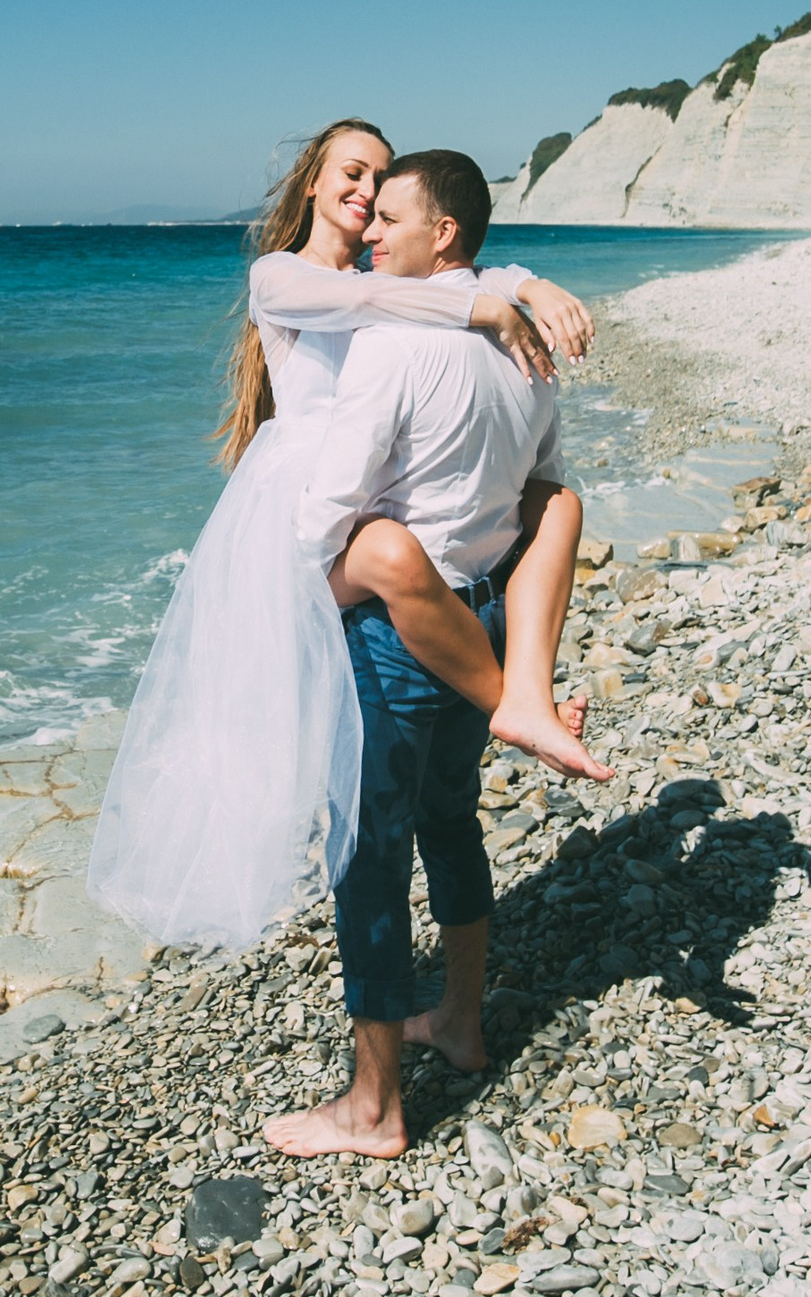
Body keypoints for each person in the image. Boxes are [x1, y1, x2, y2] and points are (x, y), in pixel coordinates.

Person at [86, 120, 597, 956]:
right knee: (286, 725)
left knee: (381, 754)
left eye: (381, 179)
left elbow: (448, 261)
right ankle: (511, 697)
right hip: (303, 506)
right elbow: (383, 297)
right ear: (313, 185)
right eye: (351, 173)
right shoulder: (280, 275)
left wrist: (524, 282)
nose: (366, 191)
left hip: (361, 499)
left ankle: (510, 700)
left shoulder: (390, 271)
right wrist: (494, 296)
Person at [264, 148, 610, 1160]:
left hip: (397, 631)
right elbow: (541, 484)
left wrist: (297, 593)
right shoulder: (521, 347)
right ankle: (459, 1018)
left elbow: (333, 504)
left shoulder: (391, 342)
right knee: (451, 821)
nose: (373, 230)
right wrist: (518, 286)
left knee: (367, 858)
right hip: (486, 612)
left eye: (392, 216)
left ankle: (371, 1106)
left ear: (440, 232)